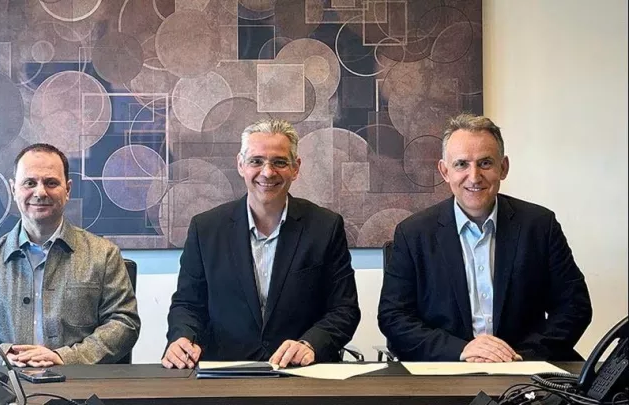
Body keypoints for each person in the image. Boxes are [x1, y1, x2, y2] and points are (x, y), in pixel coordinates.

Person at [378, 113, 592, 362]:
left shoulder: (540, 226)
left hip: (522, 367)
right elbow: (394, 317)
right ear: (444, 171)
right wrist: (460, 350)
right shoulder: (413, 233)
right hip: (446, 367)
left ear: (504, 168)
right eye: (461, 164)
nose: (474, 176)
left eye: (485, 163)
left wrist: (519, 356)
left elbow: (574, 307)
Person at [162, 119, 361, 369]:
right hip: (225, 373)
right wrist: (183, 338)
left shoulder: (325, 227)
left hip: (300, 372)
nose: (267, 172)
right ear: (241, 164)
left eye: (279, 162)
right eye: (256, 161)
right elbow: (188, 304)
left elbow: (344, 309)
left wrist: (310, 344)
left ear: (295, 168)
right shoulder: (206, 229)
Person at [0, 143, 141, 367]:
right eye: (30, 183)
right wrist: (3, 357)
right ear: (13, 189)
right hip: (6, 383)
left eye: (51, 183)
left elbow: (124, 323)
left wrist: (66, 357)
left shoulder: (103, 255)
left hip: (79, 383)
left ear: (68, 190)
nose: (40, 192)